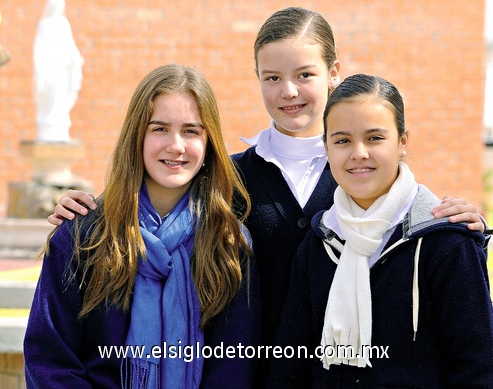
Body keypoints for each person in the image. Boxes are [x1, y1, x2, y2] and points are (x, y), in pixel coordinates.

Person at [45, 7, 488, 387]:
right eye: (273, 77)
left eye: (305, 74)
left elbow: (412, 217)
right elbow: (153, 190)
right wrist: (89, 207)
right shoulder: (227, 177)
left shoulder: (359, 171)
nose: (289, 91)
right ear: (257, 78)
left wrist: (462, 218)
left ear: (335, 73)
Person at [24, 64, 260, 389]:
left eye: (191, 130)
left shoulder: (229, 243)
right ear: (137, 135)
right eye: (159, 128)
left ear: (209, 143)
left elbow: (233, 368)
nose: (175, 145)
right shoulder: (82, 237)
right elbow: (49, 358)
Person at [268, 74, 493, 388]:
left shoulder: (447, 241)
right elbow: (290, 365)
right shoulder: (318, 241)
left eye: (374, 137)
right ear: (326, 147)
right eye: (343, 140)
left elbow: (477, 369)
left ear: (402, 142)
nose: (358, 152)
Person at [34, 0, 83, 142]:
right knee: (50, 97)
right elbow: (39, 48)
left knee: (59, 95)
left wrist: (75, 58)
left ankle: (58, 124)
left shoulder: (63, 24)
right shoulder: (44, 24)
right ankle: (48, 124)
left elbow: (70, 47)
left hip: (61, 69)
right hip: (49, 68)